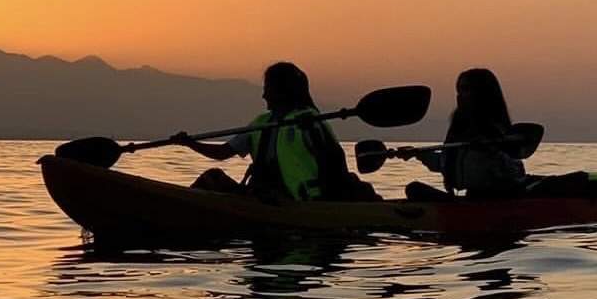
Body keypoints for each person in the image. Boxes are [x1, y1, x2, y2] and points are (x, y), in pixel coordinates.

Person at [173, 61, 362, 202]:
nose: (264, 95)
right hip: (261, 195)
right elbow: (223, 153)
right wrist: (190, 143)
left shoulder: (310, 122)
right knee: (212, 177)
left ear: (283, 91)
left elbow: (336, 163)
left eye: (268, 89)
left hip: (297, 201)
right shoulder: (262, 123)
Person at [403, 68, 526, 201]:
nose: (460, 95)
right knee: (414, 189)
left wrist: (490, 152)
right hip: (470, 199)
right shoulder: (460, 127)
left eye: (466, 89)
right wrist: (417, 153)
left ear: (483, 93)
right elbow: (446, 164)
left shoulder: (498, 131)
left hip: (496, 199)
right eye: (459, 90)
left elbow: (514, 171)